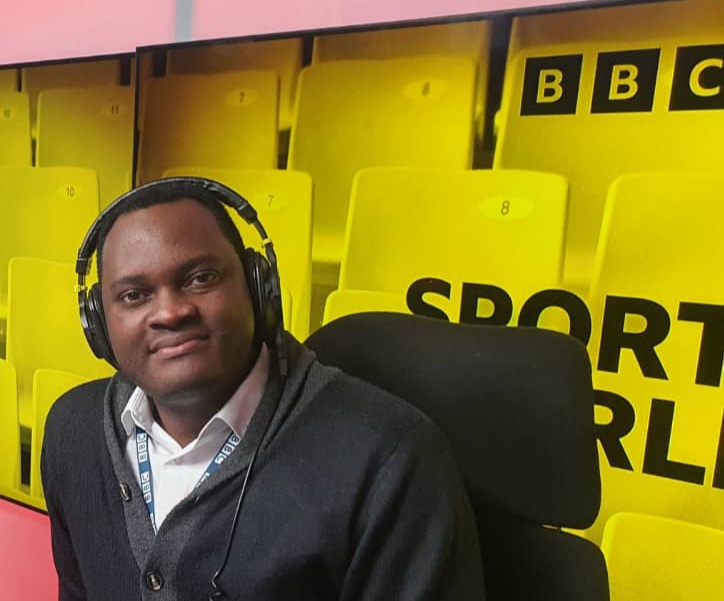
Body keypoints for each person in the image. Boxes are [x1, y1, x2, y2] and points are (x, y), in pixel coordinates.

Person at [41, 177, 485, 601]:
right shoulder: (73, 431)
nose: (171, 312)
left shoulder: (388, 459)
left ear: (258, 288)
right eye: (134, 295)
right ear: (98, 323)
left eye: (200, 278)